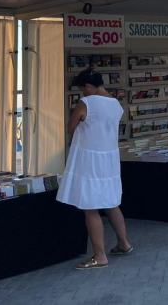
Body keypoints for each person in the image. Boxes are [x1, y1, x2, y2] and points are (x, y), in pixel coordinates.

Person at [57, 69, 133, 269]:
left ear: (89, 86)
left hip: (90, 158)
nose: (83, 93)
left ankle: (99, 255)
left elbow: (71, 127)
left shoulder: (87, 103)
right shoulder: (116, 105)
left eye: (83, 89)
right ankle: (124, 243)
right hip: (109, 158)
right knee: (111, 203)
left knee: (90, 208)